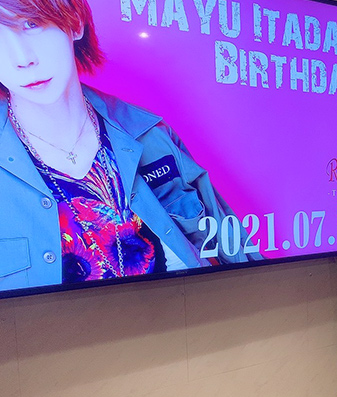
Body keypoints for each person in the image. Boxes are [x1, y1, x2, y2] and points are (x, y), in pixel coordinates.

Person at [0, 0, 259, 292]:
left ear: (74, 22)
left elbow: (237, 256)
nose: (21, 58)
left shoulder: (149, 135)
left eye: (31, 24)